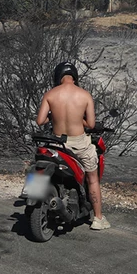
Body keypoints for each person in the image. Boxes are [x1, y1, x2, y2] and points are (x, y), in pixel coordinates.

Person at [36, 62, 110, 230]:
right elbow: (91, 124)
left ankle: (35, 197)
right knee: (92, 179)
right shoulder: (84, 95)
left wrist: (53, 116)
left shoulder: (50, 94)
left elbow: (40, 121)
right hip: (79, 144)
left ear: (58, 76)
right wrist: (79, 120)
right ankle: (98, 218)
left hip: (57, 144)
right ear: (75, 77)